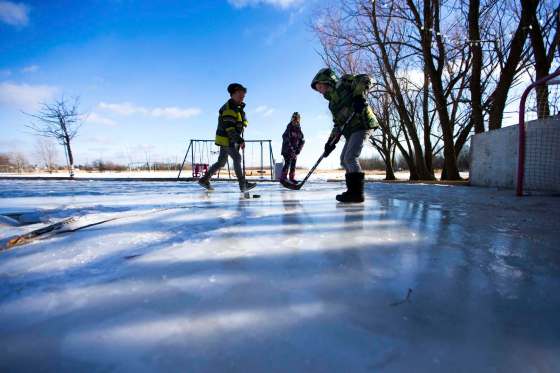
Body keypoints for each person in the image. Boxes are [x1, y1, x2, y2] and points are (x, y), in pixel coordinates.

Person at [310, 68, 378, 203]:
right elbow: (338, 124)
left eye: (320, 86)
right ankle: (351, 191)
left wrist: (359, 96)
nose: (319, 90)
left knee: (350, 157)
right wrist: (330, 143)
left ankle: (357, 194)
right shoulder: (332, 104)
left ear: (327, 81)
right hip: (351, 130)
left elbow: (366, 79)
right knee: (343, 159)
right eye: (317, 88)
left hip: (363, 124)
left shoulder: (344, 82)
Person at [198, 83, 256, 192]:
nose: (242, 96)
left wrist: (243, 122)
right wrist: (239, 140)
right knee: (237, 158)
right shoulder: (229, 108)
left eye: (243, 95)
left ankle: (204, 180)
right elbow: (230, 129)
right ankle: (243, 185)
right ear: (232, 94)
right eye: (239, 94)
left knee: (221, 162)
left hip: (228, 139)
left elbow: (241, 122)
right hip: (227, 139)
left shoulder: (238, 108)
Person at [280, 112, 305, 183]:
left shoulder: (299, 129)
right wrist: (291, 149)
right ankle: (283, 178)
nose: (295, 120)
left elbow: (302, 140)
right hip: (287, 149)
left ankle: (291, 178)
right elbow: (285, 138)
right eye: (294, 118)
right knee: (288, 162)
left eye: (297, 119)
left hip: (294, 150)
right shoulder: (289, 127)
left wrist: (298, 149)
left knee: (293, 163)